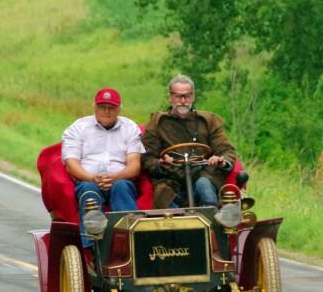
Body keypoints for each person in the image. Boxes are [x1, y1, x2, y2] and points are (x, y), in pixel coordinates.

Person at [62, 88, 144, 249]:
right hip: (88, 179)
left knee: (122, 187)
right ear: (95, 107)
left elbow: (134, 166)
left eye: (111, 107)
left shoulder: (129, 128)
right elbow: (71, 163)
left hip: (119, 179)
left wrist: (114, 177)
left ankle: (132, 241)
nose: (106, 111)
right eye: (102, 107)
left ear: (119, 109)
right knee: (88, 191)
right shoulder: (78, 127)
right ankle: (94, 249)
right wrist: (92, 178)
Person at [141, 75, 237, 209]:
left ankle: (212, 223)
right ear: (170, 98)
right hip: (171, 178)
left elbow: (226, 150)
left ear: (193, 97)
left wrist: (220, 160)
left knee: (204, 185)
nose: (183, 101)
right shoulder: (157, 123)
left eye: (186, 96)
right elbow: (147, 158)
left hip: (204, 174)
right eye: (178, 96)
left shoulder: (208, 121)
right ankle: (172, 228)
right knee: (163, 194)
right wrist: (161, 164)